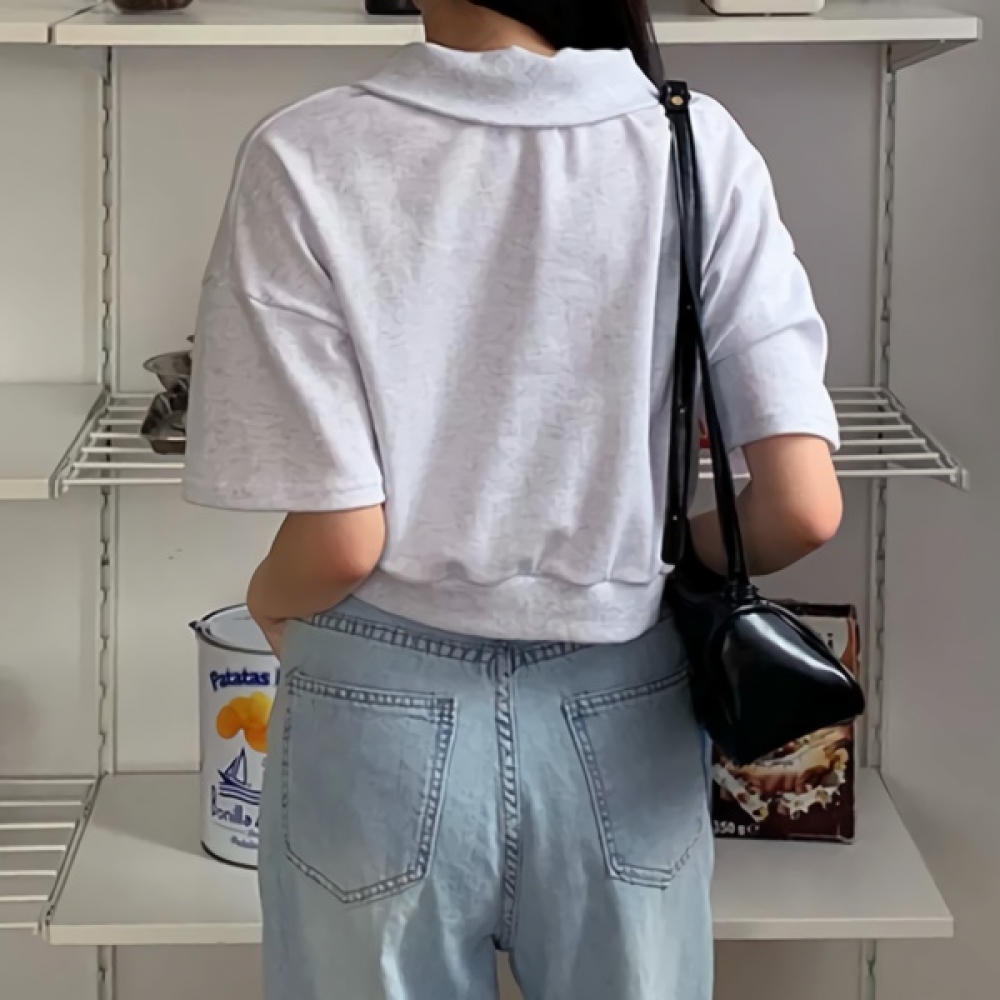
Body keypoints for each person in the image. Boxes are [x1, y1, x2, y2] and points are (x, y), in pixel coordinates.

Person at [184, 0, 843, 997]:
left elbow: (341, 540)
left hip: (377, 703)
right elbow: (802, 508)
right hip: (621, 704)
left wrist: (270, 602)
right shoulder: (692, 140)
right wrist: (664, 559)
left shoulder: (306, 150)